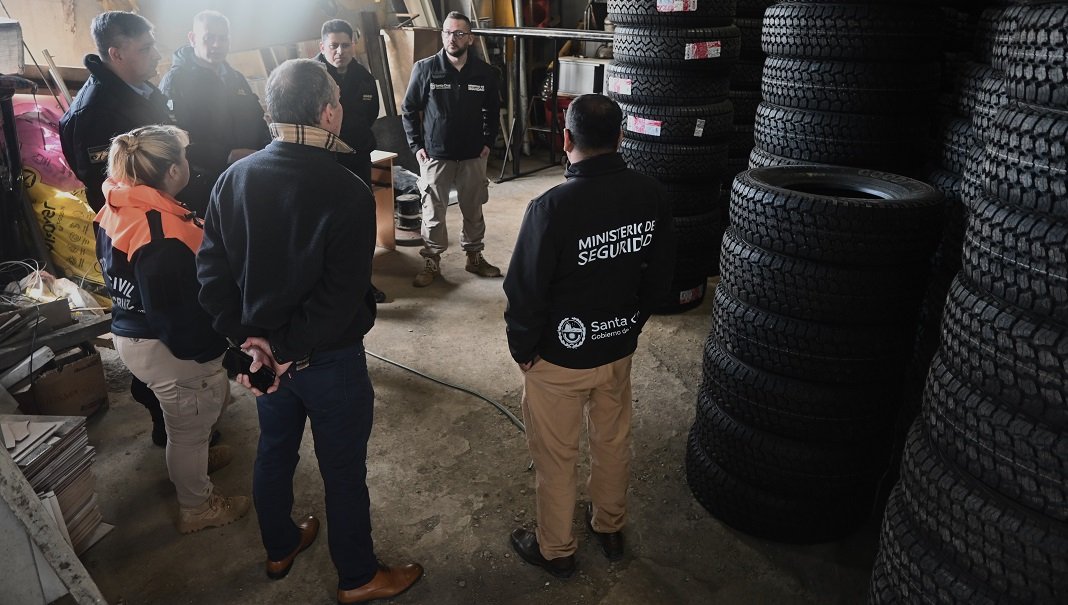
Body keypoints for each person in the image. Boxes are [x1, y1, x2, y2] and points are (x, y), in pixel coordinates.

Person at [196, 59, 422, 603]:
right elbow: (340, 296)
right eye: (338, 101)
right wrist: (285, 349)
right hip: (328, 360)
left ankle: (280, 547)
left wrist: (251, 343)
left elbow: (210, 276)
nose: (340, 109)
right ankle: (358, 576)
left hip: (264, 362)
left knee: (275, 452)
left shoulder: (234, 179)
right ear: (327, 113)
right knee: (342, 469)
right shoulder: (347, 190)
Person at [503, 94, 676, 578]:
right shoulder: (651, 194)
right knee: (612, 442)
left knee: (557, 458)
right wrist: (629, 325)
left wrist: (524, 350)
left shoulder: (550, 208)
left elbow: (524, 290)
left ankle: (557, 550)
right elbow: (661, 276)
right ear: (620, 138)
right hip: (616, 351)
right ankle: (609, 526)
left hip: (559, 359)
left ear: (566, 139)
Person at [95, 125, 250, 534]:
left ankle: (194, 460)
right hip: (167, 347)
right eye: (184, 156)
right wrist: (212, 351)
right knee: (188, 427)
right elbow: (174, 316)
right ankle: (197, 507)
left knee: (195, 419)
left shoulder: (119, 203)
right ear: (172, 171)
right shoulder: (161, 235)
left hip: (131, 329)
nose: (188, 163)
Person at [59, 11, 174, 448]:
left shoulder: (142, 90)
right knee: (150, 327)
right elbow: (105, 187)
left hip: (162, 225)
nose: (156, 54)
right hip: (135, 239)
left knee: (173, 317)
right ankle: (168, 428)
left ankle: (187, 414)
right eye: (146, 48)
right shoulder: (93, 114)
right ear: (116, 54)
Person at [401, 11, 502, 287]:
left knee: (473, 208)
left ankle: (474, 257)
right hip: (436, 155)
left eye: (459, 33)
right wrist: (416, 146)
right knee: (433, 212)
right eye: (447, 32)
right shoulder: (426, 69)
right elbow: (408, 109)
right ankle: (432, 260)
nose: (452, 38)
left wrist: (487, 142)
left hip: (472, 155)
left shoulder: (484, 73)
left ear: (470, 38)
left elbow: (493, 110)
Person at [160, 10, 271, 217]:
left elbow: (258, 119)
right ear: (193, 38)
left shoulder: (236, 78)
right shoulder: (176, 82)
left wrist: (268, 151)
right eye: (209, 38)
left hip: (250, 174)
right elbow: (176, 140)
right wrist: (228, 155)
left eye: (223, 38)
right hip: (208, 185)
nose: (217, 45)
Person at [314, 18, 387, 304]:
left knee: (360, 221)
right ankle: (325, 285)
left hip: (357, 160)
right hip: (322, 162)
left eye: (346, 45)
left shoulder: (363, 77)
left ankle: (362, 282)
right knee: (325, 224)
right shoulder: (310, 77)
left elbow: (371, 114)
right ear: (322, 46)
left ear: (353, 45)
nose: (340, 51)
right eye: (334, 45)